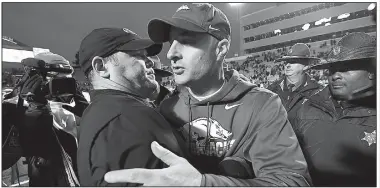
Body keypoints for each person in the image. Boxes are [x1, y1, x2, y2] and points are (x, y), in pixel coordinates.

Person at [105, 3, 311, 186]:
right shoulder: (168, 107)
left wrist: (204, 183)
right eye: (171, 43)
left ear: (221, 48)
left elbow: (292, 181)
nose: (171, 53)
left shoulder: (261, 105)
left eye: (185, 41)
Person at [76, 27, 185, 186]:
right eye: (138, 55)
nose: (150, 61)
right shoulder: (130, 118)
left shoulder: (101, 111)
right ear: (101, 67)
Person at [289, 32, 376, 186]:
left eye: (346, 68)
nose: (335, 75)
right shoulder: (306, 106)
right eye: (332, 69)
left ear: (371, 72)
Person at [2, 52, 88, 186]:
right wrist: (36, 108)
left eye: (67, 80)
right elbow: (11, 156)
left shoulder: (73, 106)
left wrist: (86, 111)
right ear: (34, 79)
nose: (61, 86)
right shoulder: (18, 108)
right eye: (55, 79)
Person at [268, 43, 322, 118]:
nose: (287, 65)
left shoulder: (318, 92)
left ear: (306, 66)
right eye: (286, 62)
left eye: (293, 62)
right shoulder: (271, 90)